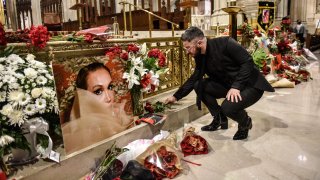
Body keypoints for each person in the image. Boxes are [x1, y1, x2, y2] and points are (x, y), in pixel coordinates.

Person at [165, 26, 274, 140]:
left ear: (200, 43)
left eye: (188, 48)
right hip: (229, 85)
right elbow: (195, 77)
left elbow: (247, 62)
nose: (187, 52)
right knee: (199, 85)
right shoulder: (200, 56)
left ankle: (244, 123)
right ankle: (219, 119)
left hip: (250, 85)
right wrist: (176, 96)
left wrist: (236, 86)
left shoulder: (226, 43)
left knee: (227, 108)